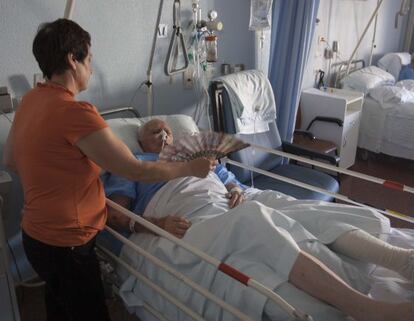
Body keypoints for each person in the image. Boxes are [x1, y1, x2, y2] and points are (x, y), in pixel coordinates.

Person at [2, 19, 214, 321]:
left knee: (59, 306)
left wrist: (57, 170)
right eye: (88, 59)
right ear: (72, 60)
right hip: (68, 244)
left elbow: (11, 160)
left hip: (35, 238)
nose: (90, 67)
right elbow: (136, 170)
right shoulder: (76, 114)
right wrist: (189, 168)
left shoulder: (30, 101)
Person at [104, 118, 414, 321]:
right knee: (254, 223)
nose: (163, 134)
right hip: (183, 206)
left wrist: (236, 189)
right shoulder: (132, 166)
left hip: (232, 198)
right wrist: (157, 225)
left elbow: (228, 179)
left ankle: (400, 260)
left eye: (166, 130)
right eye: (153, 131)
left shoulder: (190, 154)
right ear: (139, 142)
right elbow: (118, 215)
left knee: (303, 212)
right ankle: (363, 307)